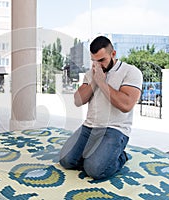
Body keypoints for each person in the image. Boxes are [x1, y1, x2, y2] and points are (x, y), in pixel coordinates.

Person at [59, 36, 143, 180]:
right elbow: (78, 101)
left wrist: (102, 82)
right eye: (94, 61)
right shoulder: (91, 74)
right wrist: (94, 81)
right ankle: (97, 153)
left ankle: (120, 157)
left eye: (102, 60)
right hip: (89, 127)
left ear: (113, 54)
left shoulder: (131, 72)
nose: (98, 65)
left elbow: (126, 105)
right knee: (66, 160)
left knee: (94, 170)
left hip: (115, 129)